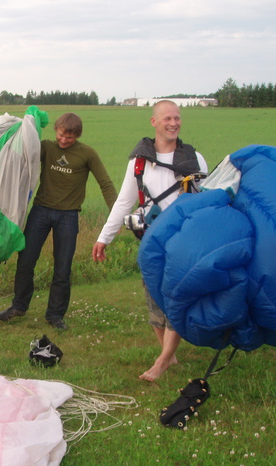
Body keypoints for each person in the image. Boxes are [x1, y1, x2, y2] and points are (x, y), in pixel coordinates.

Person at [92, 100, 207, 382]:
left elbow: (208, 201)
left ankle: (163, 360)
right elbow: (124, 202)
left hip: (183, 241)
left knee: (177, 296)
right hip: (151, 242)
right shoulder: (139, 162)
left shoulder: (195, 159)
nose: (173, 123)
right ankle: (169, 352)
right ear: (154, 122)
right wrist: (103, 238)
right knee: (154, 297)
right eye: (167, 118)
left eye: (177, 118)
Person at [0, 112, 117, 330]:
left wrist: (117, 214)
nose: (63, 140)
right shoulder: (46, 148)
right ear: (56, 131)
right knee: (25, 261)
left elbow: (106, 184)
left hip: (68, 216)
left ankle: (55, 314)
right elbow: (21, 152)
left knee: (62, 268)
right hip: (40, 211)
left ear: (77, 136)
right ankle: (19, 306)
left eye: (69, 138)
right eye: (61, 135)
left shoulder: (87, 154)